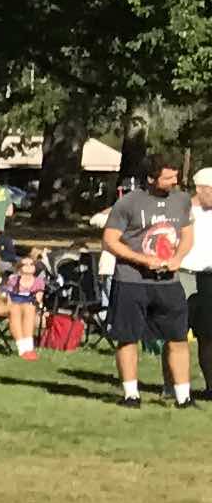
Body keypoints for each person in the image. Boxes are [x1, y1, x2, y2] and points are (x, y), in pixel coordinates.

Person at [102, 157, 194, 412]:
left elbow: (187, 235)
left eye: (175, 177)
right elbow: (110, 240)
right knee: (128, 338)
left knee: (178, 338)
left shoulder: (181, 200)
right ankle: (131, 395)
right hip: (131, 280)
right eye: (168, 178)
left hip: (168, 282)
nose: (174, 182)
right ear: (151, 179)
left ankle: (183, 397)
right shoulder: (128, 203)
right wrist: (142, 259)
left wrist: (178, 258)